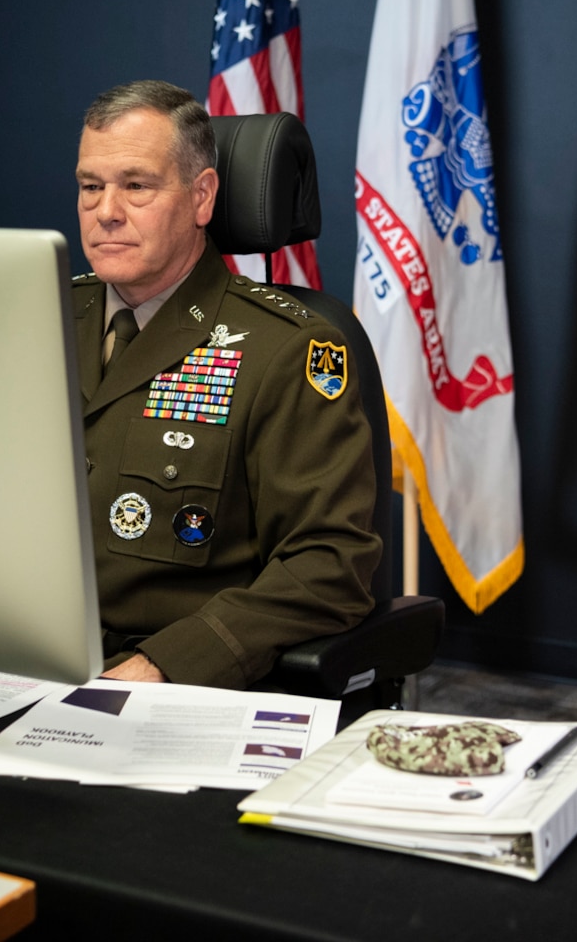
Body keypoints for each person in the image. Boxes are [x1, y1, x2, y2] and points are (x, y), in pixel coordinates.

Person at [73, 80, 379, 689]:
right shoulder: (36, 314)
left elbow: (329, 564)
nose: (106, 210)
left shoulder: (287, 348)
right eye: (90, 186)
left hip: (164, 677)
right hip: (11, 660)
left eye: (136, 185)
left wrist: (170, 663)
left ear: (202, 197)